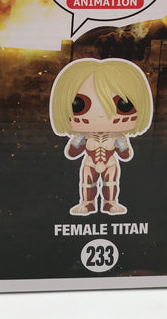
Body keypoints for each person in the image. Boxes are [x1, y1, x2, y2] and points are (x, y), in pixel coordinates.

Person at [50, 58, 153, 215]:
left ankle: (110, 203)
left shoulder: (117, 137)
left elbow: (125, 156)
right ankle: (87, 203)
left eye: (123, 104)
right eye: (78, 104)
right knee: (87, 183)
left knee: (110, 183)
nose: (100, 114)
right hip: (90, 162)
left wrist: (121, 145)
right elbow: (72, 153)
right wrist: (77, 141)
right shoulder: (84, 136)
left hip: (110, 162)